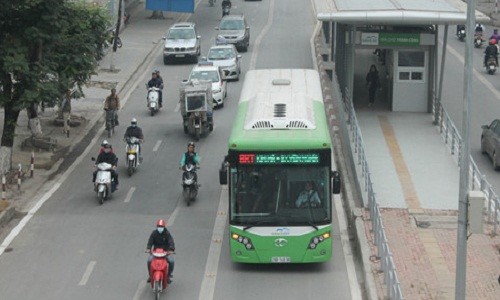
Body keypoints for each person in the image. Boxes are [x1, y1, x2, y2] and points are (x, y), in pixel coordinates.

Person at [146, 219, 175, 284]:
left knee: (171, 261)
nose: (160, 228)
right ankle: (150, 275)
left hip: (165, 252)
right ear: (157, 226)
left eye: (161, 227)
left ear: (164, 227)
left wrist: (171, 249)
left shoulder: (167, 233)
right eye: (159, 226)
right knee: (149, 260)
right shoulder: (154, 233)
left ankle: (168, 275)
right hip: (155, 252)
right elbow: (150, 242)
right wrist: (148, 248)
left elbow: (171, 241)